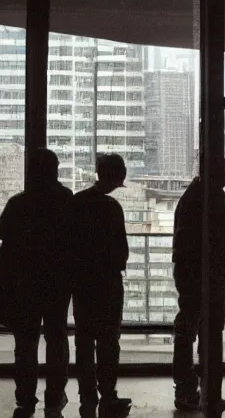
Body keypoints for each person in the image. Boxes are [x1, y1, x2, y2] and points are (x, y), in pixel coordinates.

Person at [0, 148, 73, 418]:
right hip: (57, 283)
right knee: (56, 339)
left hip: (23, 284)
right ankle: (54, 396)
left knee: (25, 343)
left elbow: (5, 248)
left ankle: (26, 398)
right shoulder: (65, 200)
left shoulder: (18, 204)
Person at [70, 154, 132, 418]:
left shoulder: (77, 202)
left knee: (84, 340)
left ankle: (87, 394)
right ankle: (108, 394)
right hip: (107, 284)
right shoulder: (111, 208)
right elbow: (121, 252)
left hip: (82, 283)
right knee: (108, 342)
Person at [171, 158, 225, 413]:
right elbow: (216, 240)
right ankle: (194, 389)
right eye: (224, 168)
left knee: (190, 327)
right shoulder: (210, 197)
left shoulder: (194, 195)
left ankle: (191, 388)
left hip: (193, 274)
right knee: (198, 329)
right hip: (202, 276)